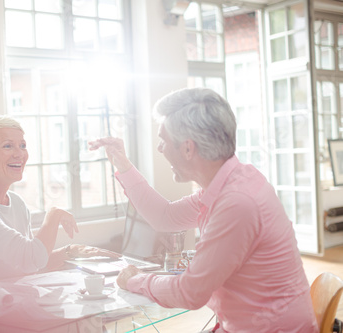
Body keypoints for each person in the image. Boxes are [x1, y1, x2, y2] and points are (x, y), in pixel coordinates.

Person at [89, 87, 318, 332]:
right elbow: (164, 217)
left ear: (188, 148)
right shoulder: (229, 183)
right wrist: (123, 166)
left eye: (163, 141)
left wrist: (133, 280)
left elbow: (190, 292)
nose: (159, 149)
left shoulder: (237, 203)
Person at [0, 115, 119, 285]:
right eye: (8, 146)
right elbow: (30, 259)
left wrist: (72, 251)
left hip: (13, 302)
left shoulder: (16, 203)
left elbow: (31, 266)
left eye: (22, 146)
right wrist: (53, 215)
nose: (19, 154)